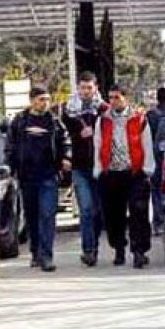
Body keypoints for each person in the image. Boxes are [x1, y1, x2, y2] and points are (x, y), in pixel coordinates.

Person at [5, 85, 72, 272]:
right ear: (32, 100)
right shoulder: (19, 121)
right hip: (27, 177)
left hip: (48, 176)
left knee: (48, 215)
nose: (45, 103)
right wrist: (11, 169)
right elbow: (10, 146)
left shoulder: (54, 121)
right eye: (42, 99)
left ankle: (46, 256)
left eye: (48, 99)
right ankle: (35, 252)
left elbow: (65, 140)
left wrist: (66, 158)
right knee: (32, 217)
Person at [94, 84, 155, 269]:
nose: (113, 101)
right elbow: (98, 144)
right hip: (111, 173)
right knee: (114, 215)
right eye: (110, 97)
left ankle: (139, 251)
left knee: (138, 212)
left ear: (126, 98)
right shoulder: (103, 120)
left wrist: (147, 169)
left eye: (117, 97)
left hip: (134, 172)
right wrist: (98, 169)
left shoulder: (139, 118)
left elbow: (147, 144)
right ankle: (119, 248)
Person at [62, 71, 108, 267]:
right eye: (83, 87)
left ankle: (95, 245)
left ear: (95, 88)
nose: (86, 91)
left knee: (98, 211)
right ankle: (88, 250)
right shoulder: (67, 111)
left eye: (90, 87)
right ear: (78, 88)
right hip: (79, 168)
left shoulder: (105, 110)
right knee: (86, 209)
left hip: (99, 167)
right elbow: (63, 137)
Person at [146, 87, 165, 236]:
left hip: (156, 155)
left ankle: (158, 222)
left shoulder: (151, 115)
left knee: (156, 189)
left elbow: (146, 136)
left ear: (158, 98)